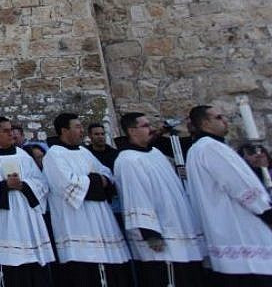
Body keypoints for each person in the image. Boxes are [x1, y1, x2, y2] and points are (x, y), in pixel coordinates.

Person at [114, 112, 205, 287]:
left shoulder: (156, 153)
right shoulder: (127, 160)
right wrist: (150, 233)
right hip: (160, 236)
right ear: (132, 131)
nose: (152, 129)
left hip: (179, 228)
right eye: (146, 126)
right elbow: (136, 196)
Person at [186, 104, 272, 284]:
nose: (225, 121)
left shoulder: (197, 149)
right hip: (242, 233)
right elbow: (238, 185)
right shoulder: (211, 147)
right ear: (204, 123)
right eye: (218, 117)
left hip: (223, 233)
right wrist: (265, 211)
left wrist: (252, 168)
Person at [42, 113, 130, 287]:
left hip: (102, 221)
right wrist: (97, 180)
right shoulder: (54, 155)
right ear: (64, 130)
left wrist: (95, 180)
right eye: (77, 127)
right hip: (76, 224)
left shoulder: (84, 152)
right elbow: (68, 184)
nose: (82, 131)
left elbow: (107, 174)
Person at [0, 116, 54, 287]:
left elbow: (40, 182)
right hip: (4, 222)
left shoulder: (23, 155)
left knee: (34, 271)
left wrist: (24, 185)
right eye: (5, 131)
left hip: (28, 220)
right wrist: (4, 185)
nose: (10, 134)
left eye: (11, 130)